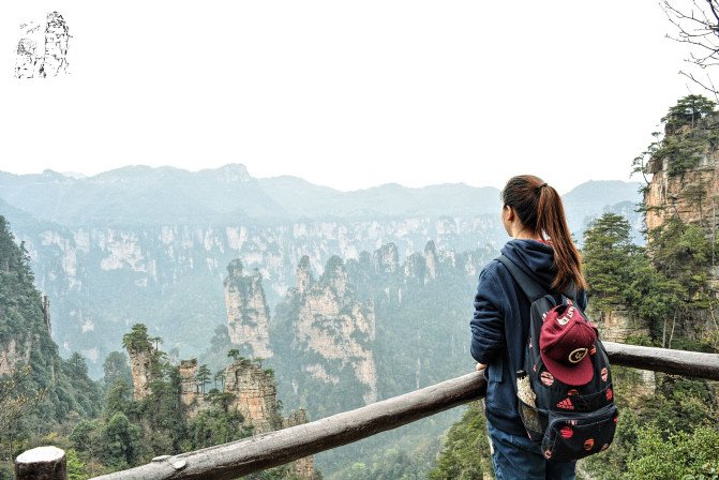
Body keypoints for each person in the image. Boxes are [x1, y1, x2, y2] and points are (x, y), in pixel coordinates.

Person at [470, 174, 587, 480]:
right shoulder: (569, 265)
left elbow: (483, 347)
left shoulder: (497, 274)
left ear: (509, 212)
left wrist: (485, 357)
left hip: (518, 416)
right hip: (566, 408)